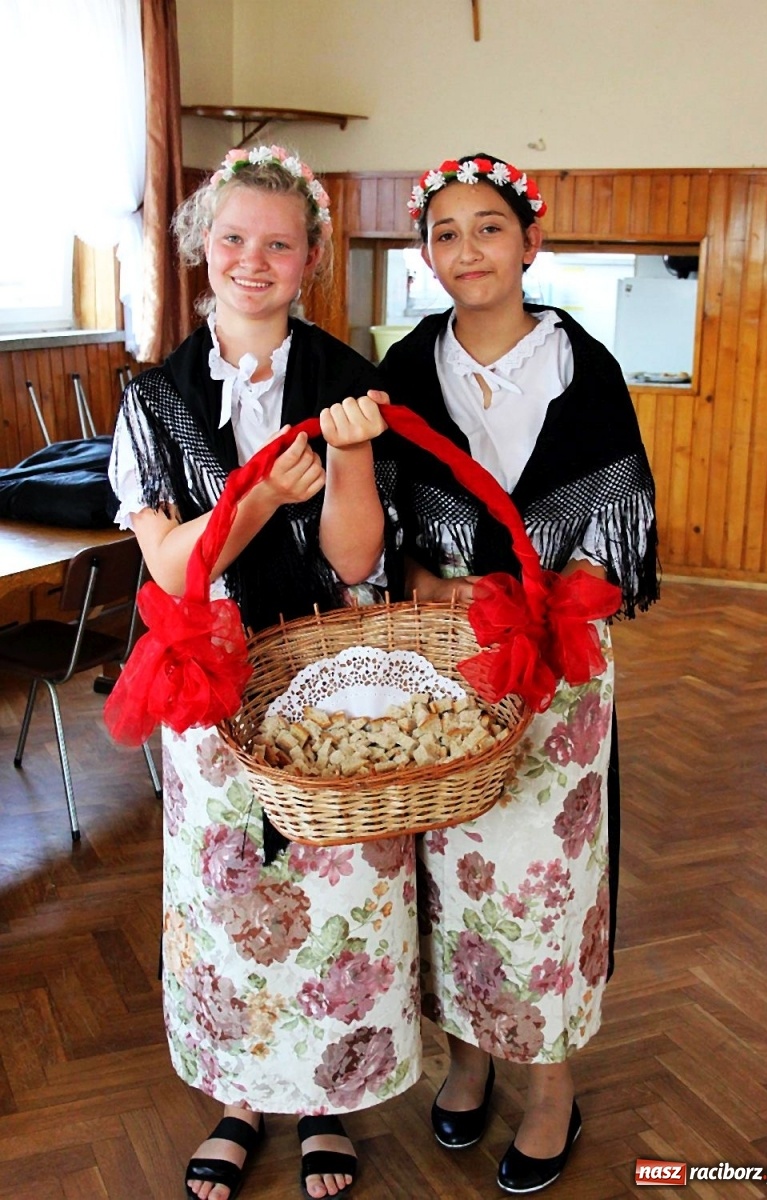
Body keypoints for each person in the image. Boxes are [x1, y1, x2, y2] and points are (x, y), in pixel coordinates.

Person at [109, 145, 421, 1200]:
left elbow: (348, 561)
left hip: (332, 675)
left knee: (339, 890)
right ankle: (241, 1095)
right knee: (227, 892)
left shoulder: (346, 378)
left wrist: (340, 461)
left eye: (278, 244)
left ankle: (327, 1094)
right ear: (201, 245)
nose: (253, 260)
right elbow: (171, 568)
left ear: (311, 258)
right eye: (233, 238)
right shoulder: (152, 399)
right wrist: (252, 503)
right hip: (209, 683)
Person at [379, 153, 659, 1194]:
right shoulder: (405, 369)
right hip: (446, 659)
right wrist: (421, 581)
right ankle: (467, 1058)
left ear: (530, 243)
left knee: (542, 885)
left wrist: (545, 605)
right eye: (444, 233)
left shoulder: (584, 368)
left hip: (559, 661)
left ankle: (548, 1087)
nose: (467, 250)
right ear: (426, 255)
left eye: (487, 227)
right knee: (448, 877)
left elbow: (615, 529)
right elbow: (393, 527)